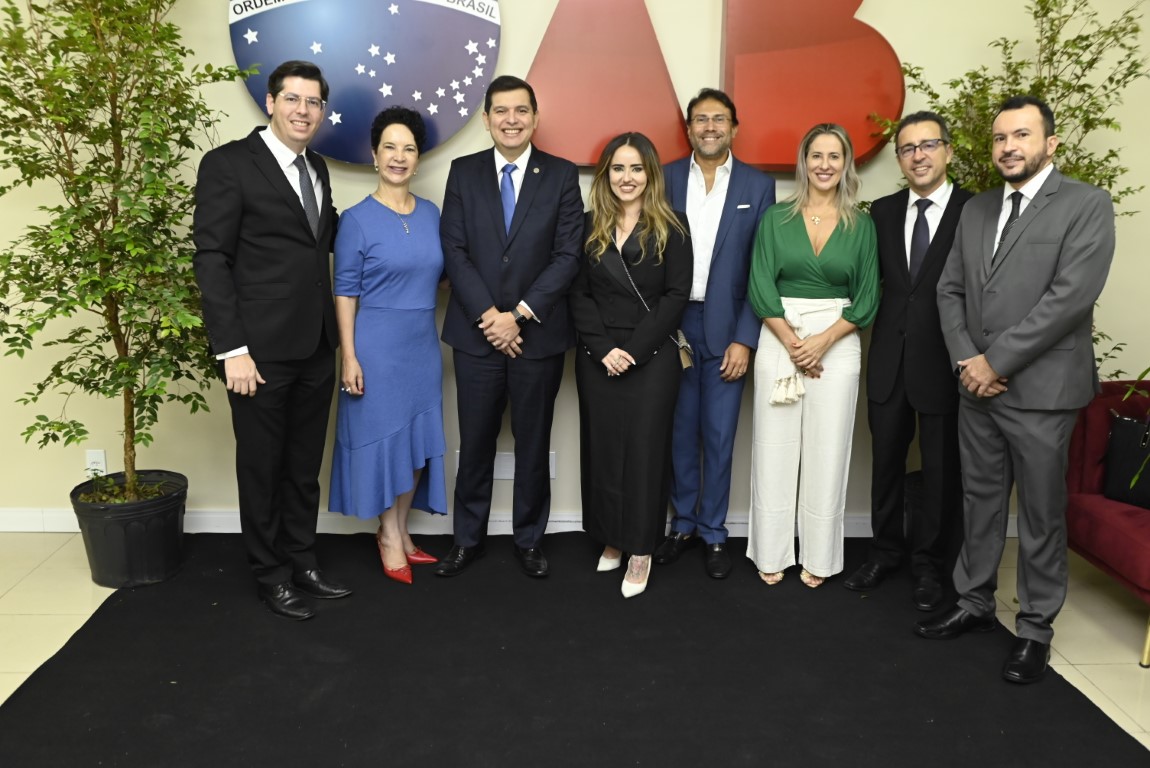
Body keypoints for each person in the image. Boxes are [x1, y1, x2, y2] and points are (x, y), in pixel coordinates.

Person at [920, 96, 1115, 685]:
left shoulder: (1085, 204)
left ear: (1050, 143)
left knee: (1039, 513)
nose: (1008, 147)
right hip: (977, 389)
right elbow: (950, 290)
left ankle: (1034, 629)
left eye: (1021, 135)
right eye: (1000, 137)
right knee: (979, 501)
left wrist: (995, 361)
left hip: (1042, 393)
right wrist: (968, 361)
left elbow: (1069, 299)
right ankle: (974, 602)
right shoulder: (977, 208)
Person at [193, 60, 351, 620]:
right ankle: (271, 575)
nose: (303, 110)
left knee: (303, 467)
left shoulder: (317, 168)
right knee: (261, 468)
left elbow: (323, 239)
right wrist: (232, 349)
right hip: (257, 354)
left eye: (313, 102)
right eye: (293, 99)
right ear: (270, 102)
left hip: (316, 346)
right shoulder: (229, 164)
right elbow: (211, 259)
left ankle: (303, 561)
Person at [436, 75, 584, 578]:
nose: (511, 119)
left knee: (533, 443)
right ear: (486, 119)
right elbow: (454, 249)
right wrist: (489, 317)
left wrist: (517, 315)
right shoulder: (464, 171)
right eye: (501, 111)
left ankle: (529, 540)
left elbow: (567, 255)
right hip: (476, 336)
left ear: (535, 118)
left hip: (536, 337)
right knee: (474, 442)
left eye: (521, 110)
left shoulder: (561, 175)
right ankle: (466, 540)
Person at [843, 112, 971, 611]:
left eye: (928, 145)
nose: (918, 156)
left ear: (948, 151)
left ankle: (929, 566)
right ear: (899, 159)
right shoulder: (883, 211)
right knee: (885, 465)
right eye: (908, 148)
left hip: (944, 362)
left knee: (940, 471)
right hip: (888, 360)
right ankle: (884, 552)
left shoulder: (974, 211)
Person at [746, 123, 879, 588]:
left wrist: (821, 341)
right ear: (804, 162)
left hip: (837, 342)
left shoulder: (862, 225)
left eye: (834, 156)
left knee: (829, 448)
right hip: (779, 335)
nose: (825, 165)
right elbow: (760, 285)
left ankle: (820, 557)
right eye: (816, 155)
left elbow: (867, 297)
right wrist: (793, 342)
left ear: (846, 164)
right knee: (773, 448)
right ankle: (771, 552)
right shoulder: (774, 218)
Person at [658, 88, 776, 580]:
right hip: (673, 325)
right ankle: (682, 524)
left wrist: (746, 338)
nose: (710, 127)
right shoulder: (663, 177)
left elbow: (762, 269)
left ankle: (713, 532)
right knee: (679, 432)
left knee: (720, 435)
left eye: (719, 119)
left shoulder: (758, 185)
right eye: (701, 119)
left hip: (728, 329)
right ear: (689, 128)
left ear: (734, 127)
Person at [327, 107, 448, 585]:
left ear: (418, 159)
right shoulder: (356, 220)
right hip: (375, 348)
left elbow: (442, 274)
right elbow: (344, 292)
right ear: (374, 155)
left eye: (409, 148)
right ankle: (389, 535)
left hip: (422, 347)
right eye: (390, 147)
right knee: (385, 441)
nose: (399, 157)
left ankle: (399, 530)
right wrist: (350, 356)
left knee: (415, 444)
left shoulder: (432, 214)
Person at [570, 132, 692, 599]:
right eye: (618, 168)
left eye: (636, 168)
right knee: (602, 450)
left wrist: (634, 351)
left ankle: (641, 548)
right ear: (606, 175)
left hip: (652, 355)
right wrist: (603, 348)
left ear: (650, 174)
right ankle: (612, 538)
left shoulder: (673, 226)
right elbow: (577, 293)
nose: (627, 177)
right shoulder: (587, 225)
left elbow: (675, 296)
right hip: (597, 354)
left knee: (644, 454)